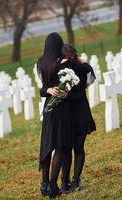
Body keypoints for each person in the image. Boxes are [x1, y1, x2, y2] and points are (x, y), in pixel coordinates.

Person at [37, 33, 73, 198]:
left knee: (46, 145)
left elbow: (43, 89)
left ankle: (44, 186)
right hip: (61, 108)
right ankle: (52, 185)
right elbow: (65, 87)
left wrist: (48, 90)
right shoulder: (61, 63)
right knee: (59, 146)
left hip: (48, 109)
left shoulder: (41, 62)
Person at [59, 44, 97, 193]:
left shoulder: (60, 69)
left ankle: (64, 183)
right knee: (79, 148)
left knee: (66, 150)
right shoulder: (82, 67)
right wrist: (82, 61)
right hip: (81, 110)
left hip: (67, 113)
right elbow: (89, 71)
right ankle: (75, 181)